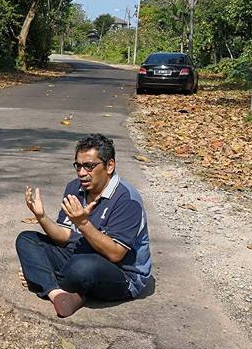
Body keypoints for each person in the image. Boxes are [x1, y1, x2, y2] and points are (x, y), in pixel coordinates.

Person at [16, 133, 152, 318]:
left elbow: (115, 253)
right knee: (27, 240)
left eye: (89, 166)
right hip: (81, 254)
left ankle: (42, 279)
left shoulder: (127, 199)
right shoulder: (75, 188)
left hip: (121, 273)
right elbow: (64, 236)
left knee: (83, 268)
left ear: (109, 165)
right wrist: (41, 217)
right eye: (78, 166)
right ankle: (56, 293)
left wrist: (83, 223)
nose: (81, 172)